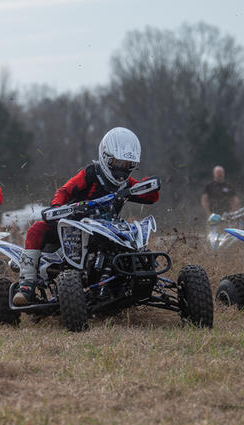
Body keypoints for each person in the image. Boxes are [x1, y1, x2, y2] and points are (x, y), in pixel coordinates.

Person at [13, 127, 159, 305]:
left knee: (136, 240)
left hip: (109, 229)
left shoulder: (126, 184)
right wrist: (57, 208)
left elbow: (150, 197)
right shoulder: (91, 173)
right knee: (37, 228)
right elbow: (65, 191)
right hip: (75, 225)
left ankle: (134, 276)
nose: (123, 169)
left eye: (128, 165)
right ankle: (26, 284)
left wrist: (149, 185)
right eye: (119, 163)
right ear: (106, 158)